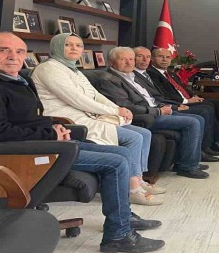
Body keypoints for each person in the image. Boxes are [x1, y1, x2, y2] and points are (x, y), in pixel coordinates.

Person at [0, 32, 164, 253]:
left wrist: (53, 127)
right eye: (3, 50)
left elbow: (29, 119)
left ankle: (124, 218)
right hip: (18, 154)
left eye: (20, 51)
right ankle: (118, 235)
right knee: (116, 163)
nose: (13, 56)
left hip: (40, 144)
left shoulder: (16, 80)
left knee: (122, 153)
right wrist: (49, 135)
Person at [31, 34, 163, 206]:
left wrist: (119, 109)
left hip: (87, 115)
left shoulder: (73, 69)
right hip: (70, 120)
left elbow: (95, 95)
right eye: (68, 45)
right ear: (56, 46)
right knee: (133, 137)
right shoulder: (48, 68)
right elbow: (77, 99)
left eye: (78, 45)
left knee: (143, 133)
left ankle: (138, 178)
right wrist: (114, 111)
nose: (74, 48)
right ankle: (133, 189)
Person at [96, 47, 208, 179]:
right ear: (111, 62)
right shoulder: (109, 79)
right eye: (123, 59)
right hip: (144, 116)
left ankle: (188, 161)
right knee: (192, 122)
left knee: (198, 118)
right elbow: (126, 106)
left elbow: (151, 98)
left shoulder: (132, 76)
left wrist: (169, 107)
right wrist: (158, 111)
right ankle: (187, 167)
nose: (129, 63)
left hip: (156, 109)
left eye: (131, 59)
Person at [132, 46, 219, 161]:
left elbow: (179, 88)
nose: (145, 60)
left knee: (213, 105)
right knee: (202, 112)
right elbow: (161, 96)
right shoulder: (146, 74)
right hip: (156, 111)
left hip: (166, 105)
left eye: (167, 57)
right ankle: (199, 153)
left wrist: (191, 96)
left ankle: (214, 143)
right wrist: (180, 104)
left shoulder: (166, 73)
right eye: (140, 56)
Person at [147, 47, 219, 149]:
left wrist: (193, 96)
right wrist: (187, 100)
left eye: (168, 57)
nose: (164, 60)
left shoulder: (170, 73)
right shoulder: (151, 74)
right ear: (152, 59)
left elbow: (182, 88)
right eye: (161, 57)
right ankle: (209, 144)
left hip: (187, 99)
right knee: (207, 108)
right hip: (177, 102)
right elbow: (164, 94)